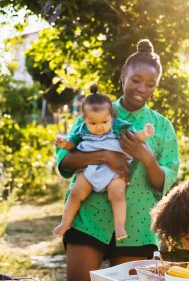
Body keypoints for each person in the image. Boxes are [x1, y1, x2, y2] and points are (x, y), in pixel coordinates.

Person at [35, 39, 180, 281]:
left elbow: (166, 181)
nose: (142, 89)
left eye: (150, 84)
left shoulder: (161, 128)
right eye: (137, 80)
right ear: (123, 76)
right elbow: (64, 162)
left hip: (135, 225)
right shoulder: (95, 110)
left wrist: (146, 157)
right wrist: (103, 155)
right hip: (90, 220)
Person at [52, 84, 155, 241]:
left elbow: (134, 138)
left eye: (104, 122)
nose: (99, 127)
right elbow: (71, 145)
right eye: (93, 123)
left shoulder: (118, 127)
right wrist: (64, 144)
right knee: (75, 193)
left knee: (117, 194)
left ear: (112, 117)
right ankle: (65, 222)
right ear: (85, 120)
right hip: (89, 169)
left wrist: (144, 134)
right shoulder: (81, 130)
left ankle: (119, 226)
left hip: (115, 172)